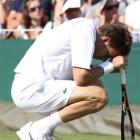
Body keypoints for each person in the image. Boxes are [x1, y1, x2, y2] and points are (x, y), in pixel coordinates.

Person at [11, 17, 132, 140]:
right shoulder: (85, 30)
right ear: (106, 40)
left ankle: (43, 132)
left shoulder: (83, 28)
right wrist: (110, 65)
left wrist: (109, 67)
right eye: (107, 55)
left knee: (96, 84)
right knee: (99, 95)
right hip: (30, 88)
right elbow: (80, 77)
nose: (104, 59)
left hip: (37, 86)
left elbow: (78, 70)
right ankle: (38, 130)